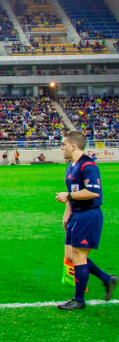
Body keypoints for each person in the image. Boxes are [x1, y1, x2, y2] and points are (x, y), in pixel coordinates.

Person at [55, 131, 117, 310]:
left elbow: (93, 191)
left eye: (64, 145)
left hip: (89, 215)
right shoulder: (70, 166)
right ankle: (107, 279)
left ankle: (79, 300)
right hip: (76, 214)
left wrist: (68, 196)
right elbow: (71, 192)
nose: (61, 148)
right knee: (70, 256)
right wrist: (67, 212)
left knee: (80, 255)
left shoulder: (88, 165)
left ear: (73, 146)